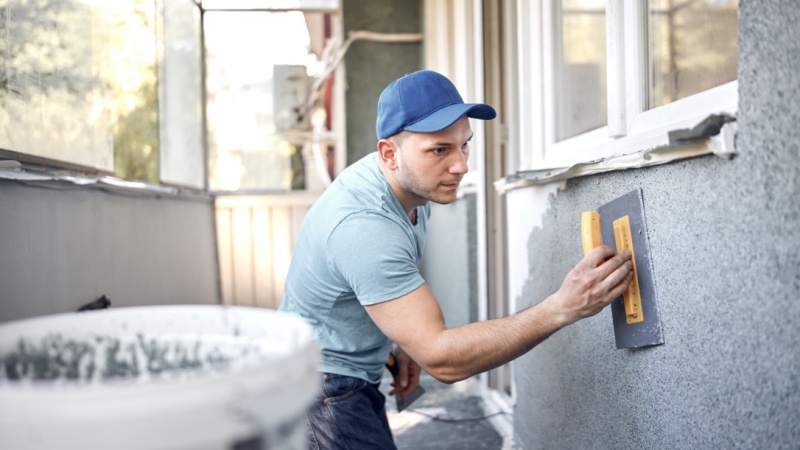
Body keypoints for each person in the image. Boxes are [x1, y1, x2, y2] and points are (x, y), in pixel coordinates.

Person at [278, 69, 633, 449]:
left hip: (342, 372)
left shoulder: (411, 187)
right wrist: (562, 308)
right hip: (320, 387)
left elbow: (367, 288)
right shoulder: (363, 226)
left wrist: (400, 337)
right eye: (439, 150)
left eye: (464, 144)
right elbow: (442, 359)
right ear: (389, 153)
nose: (461, 165)